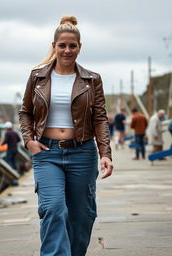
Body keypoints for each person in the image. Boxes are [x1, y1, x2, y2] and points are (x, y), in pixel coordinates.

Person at [19, 16, 113, 256]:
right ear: (54, 47)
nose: (67, 50)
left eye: (72, 46)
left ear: (79, 48)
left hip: (82, 152)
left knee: (81, 216)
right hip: (46, 153)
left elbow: (100, 118)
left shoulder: (92, 80)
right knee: (53, 209)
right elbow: (25, 112)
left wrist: (105, 153)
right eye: (62, 45)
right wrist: (29, 140)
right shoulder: (37, 76)